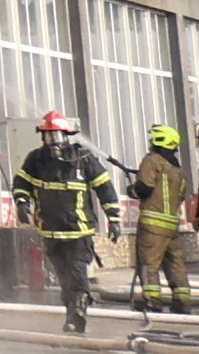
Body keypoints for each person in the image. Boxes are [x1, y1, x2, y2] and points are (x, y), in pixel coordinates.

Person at [13, 112, 117, 333]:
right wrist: (22, 202)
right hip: (51, 232)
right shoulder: (36, 160)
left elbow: (105, 189)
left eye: (58, 136)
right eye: (49, 137)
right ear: (43, 137)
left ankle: (78, 313)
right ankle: (71, 312)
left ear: (67, 136)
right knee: (63, 277)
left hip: (79, 232)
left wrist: (114, 219)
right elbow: (22, 182)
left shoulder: (83, 159)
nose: (54, 141)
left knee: (77, 273)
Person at [131, 124, 193, 315]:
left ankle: (152, 302)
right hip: (172, 227)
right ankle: (182, 302)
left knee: (148, 264)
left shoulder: (152, 161)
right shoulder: (178, 170)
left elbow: (144, 189)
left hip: (152, 227)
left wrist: (131, 190)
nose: (150, 143)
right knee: (176, 265)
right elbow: (181, 196)